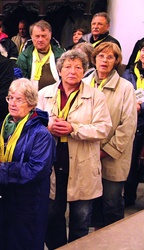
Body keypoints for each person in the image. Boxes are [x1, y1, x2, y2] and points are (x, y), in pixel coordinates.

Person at [37, 50, 112, 249]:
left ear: (84, 72)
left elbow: (104, 128)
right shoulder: (44, 94)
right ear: (60, 70)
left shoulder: (96, 96)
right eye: (68, 67)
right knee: (52, 216)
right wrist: (48, 127)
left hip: (82, 166)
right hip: (53, 165)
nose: (73, 71)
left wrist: (74, 129)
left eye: (78, 67)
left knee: (81, 218)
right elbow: (32, 124)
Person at [0, 78, 55, 249]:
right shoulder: (4, 125)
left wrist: (2, 169)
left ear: (31, 104)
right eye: (10, 98)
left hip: (27, 205)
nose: (12, 103)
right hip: (2, 198)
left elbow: (37, 170)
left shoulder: (41, 134)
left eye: (19, 99)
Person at [83, 42, 137, 228]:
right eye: (101, 56)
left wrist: (105, 151)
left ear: (116, 61)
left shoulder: (125, 88)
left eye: (110, 57)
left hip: (114, 155)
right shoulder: (84, 84)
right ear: (94, 58)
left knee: (111, 203)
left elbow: (128, 126)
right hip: (88, 153)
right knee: (91, 203)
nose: (104, 60)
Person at [122, 41, 144, 207]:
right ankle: (129, 198)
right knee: (131, 162)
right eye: (143, 50)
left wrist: (141, 106)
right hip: (134, 123)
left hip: (141, 114)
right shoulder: (129, 73)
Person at [16, 20, 65, 90]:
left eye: (43, 36)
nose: (40, 39)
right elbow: (20, 83)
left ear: (50, 35)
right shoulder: (24, 57)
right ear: (31, 37)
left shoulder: (61, 55)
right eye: (37, 36)